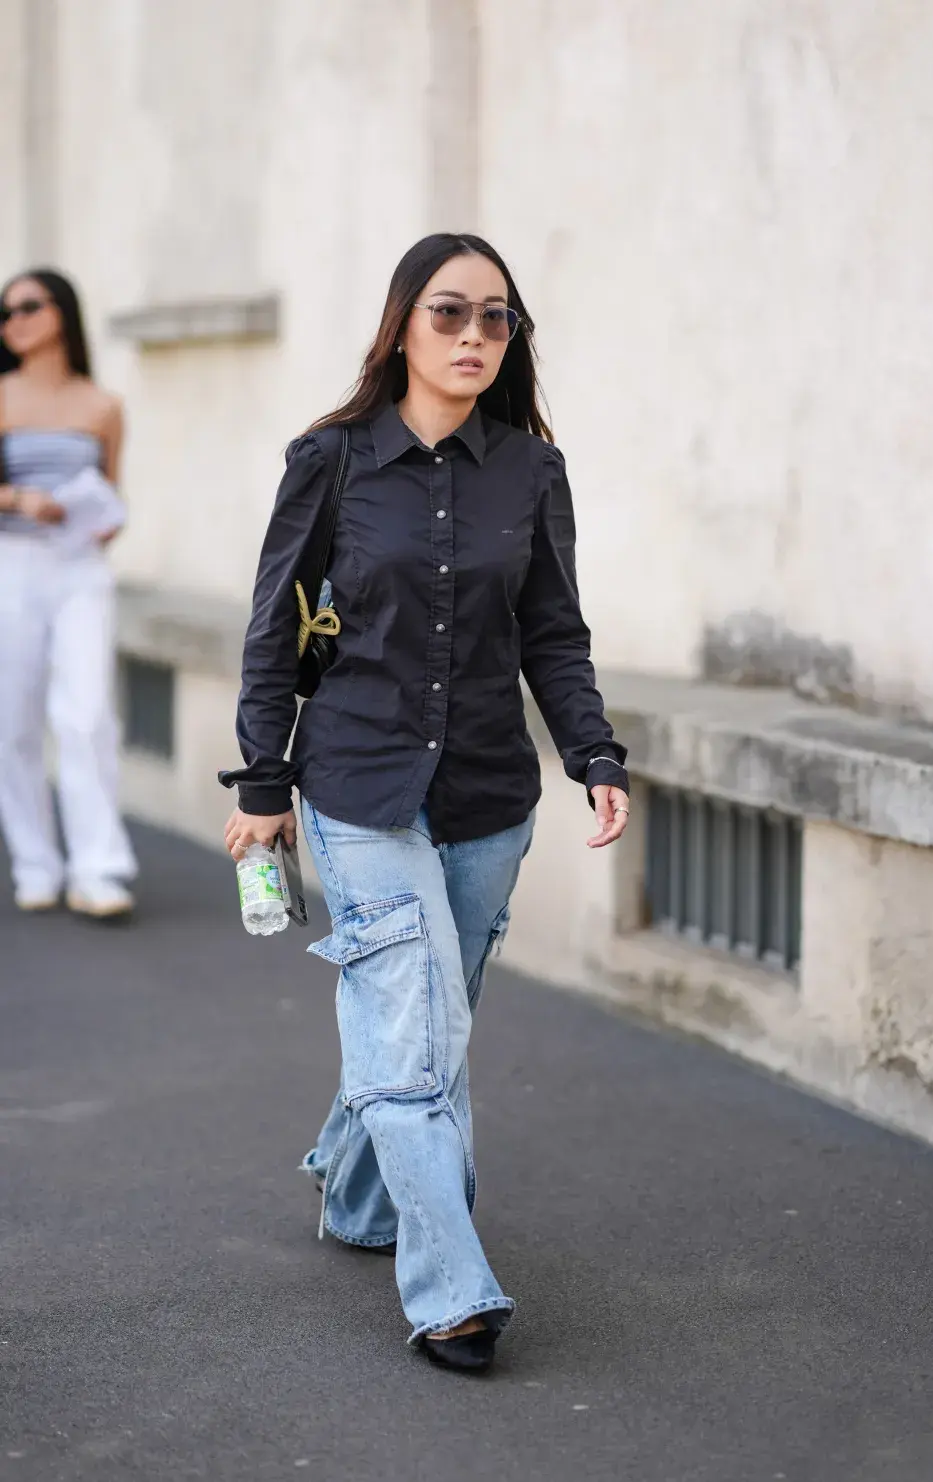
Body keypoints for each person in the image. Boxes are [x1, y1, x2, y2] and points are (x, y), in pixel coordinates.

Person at [221, 233, 630, 1373]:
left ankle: (358, 1200)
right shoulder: (333, 459)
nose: (474, 337)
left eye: (497, 319)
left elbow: (553, 633)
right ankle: (452, 1293)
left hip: (491, 796)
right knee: (417, 1037)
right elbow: (273, 629)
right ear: (402, 325)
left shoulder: (532, 475)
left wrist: (595, 753)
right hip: (357, 787)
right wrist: (263, 781)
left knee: (431, 1031)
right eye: (449, 314)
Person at [0, 269, 136, 918]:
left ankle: (98, 869)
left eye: (28, 306)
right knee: (12, 720)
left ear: (62, 312)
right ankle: (35, 862)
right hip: (12, 561)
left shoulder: (101, 405)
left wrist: (103, 518)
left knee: (87, 716)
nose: (15, 321)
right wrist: (20, 498)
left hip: (80, 566)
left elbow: (111, 491)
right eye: (6, 313)